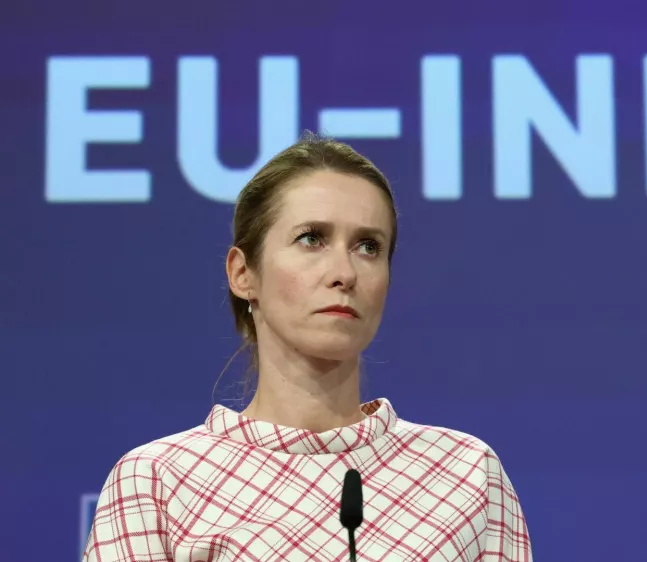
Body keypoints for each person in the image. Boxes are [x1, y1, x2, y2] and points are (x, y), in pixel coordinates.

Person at [82, 133, 533, 561]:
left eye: (368, 247)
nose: (344, 272)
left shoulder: (465, 475)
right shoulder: (159, 481)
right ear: (244, 274)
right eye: (311, 238)